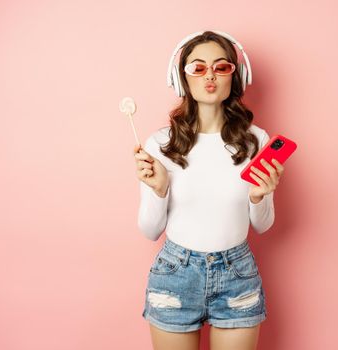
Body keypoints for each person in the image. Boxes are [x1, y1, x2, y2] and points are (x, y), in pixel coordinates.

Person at [134, 30, 285, 350]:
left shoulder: (256, 140)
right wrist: (160, 190)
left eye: (221, 67)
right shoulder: (160, 144)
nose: (210, 75)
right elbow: (150, 231)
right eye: (198, 68)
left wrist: (259, 197)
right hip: (175, 275)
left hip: (237, 274)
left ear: (237, 75)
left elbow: (263, 224)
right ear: (181, 78)